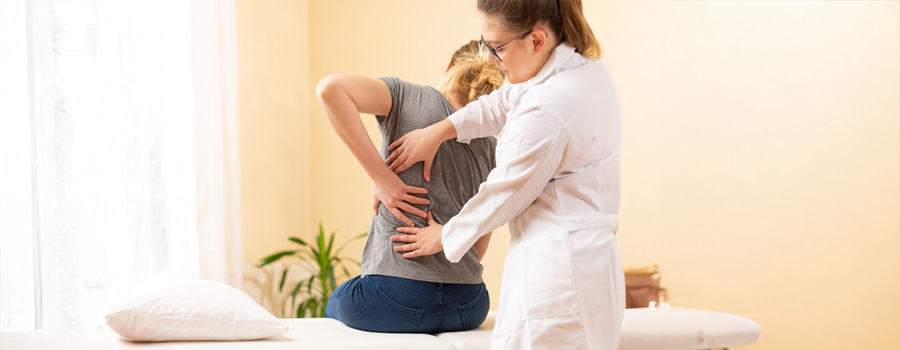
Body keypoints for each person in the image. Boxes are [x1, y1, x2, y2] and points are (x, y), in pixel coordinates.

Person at [383, 0, 625, 349]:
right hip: (586, 267)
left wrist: (444, 236)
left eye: (497, 48)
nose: (490, 60)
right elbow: (502, 102)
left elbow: (505, 192)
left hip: (559, 277)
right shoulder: (582, 71)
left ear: (537, 40)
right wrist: (441, 129)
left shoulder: (550, 105)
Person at [315, 40, 505, 333]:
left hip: (393, 300)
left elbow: (330, 90)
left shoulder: (407, 96)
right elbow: (478, 247)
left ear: (448, 68)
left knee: (336, 300)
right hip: (469, 304)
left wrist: (381, 177)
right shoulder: (491, 144)